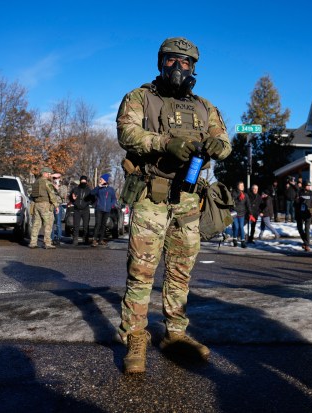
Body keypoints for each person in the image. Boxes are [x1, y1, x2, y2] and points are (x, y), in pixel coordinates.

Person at [116, 37, 231, 374]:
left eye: (185, 62)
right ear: (160, 62)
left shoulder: (205, 107)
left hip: (189, 200)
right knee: (141, 272)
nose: (178, 68)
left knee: (181, 272)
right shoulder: (139, 98)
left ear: (194, 68)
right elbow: (127, 134)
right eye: (171, 60)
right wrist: (166, 143)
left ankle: (175, 334)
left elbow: (224, 143)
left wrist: (215, 146)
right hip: (152, 196)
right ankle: (136, 336)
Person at [28, 167, 58, 249]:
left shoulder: (36, 183)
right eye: (49, 173)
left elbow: (31, 195)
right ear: (44, 173)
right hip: (45, 205)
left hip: (36, 204)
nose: (50, 175)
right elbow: (52, 194)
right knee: (48, 224)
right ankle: (47, 243)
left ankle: (33, 242)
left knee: (36, 224)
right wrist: (56, 205)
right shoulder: (47, 183)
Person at [90, 174, 118, 247]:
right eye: (100, 179)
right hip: (99, 209)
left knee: (103, 225)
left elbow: (114, 199)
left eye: (101, 179)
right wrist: (98, 187)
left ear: (105, 180)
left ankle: (101, 239)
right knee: (98, 224)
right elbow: (91, 193)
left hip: (107, 210)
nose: (100, 180)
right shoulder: (99, 188)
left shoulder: (110, 189)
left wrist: (111, 205)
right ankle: (94, 239)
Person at [295, 181, 312, 251]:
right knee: (299, 228)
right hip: (300, 213)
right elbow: (295, 203)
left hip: (308, 213)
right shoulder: (299, 192)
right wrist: (296, 200)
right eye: (307, 186)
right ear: (304, 186)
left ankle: (307, 245)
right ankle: (306, 242)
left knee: (307, 229)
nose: (308, 187)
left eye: (309, 186)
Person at [70, 175, 92, 245]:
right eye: (82, 181)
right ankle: (75, 239)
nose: (83, 182)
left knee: (86, 226)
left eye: (84, 181)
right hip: (77, 209)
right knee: (76, 225)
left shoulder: (89, 190)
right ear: (80, 181)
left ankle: (85, 239)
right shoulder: (75, 189)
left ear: (86, 182)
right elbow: (71, 197)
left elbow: (91, 199)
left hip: (85, 210)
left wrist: (87, 203)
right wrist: (72, 199)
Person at [231, 181, 252, 248]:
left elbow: (248, 205)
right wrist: (238, 199)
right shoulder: (233, 193)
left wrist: (250, 213)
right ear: (237, 186)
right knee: (236, 227)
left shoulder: (245, 195)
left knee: (241, 227)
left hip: (242, 213)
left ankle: (243, 242)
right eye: (241, 185)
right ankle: (234, 239)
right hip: (234, 213)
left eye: (243, 185)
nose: (242, 186)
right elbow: (231, 202)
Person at [50, 173, 68, 246]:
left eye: (57, 178)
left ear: (60, 178)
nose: (55, 179)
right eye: (54, 178)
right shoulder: (50, 186)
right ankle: (51, 238)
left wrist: (57, 189)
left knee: (58, 223)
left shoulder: (63, 187)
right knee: (50, 223)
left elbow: (64, 197)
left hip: (58, 205)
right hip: (51, 205)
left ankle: (58, 238)